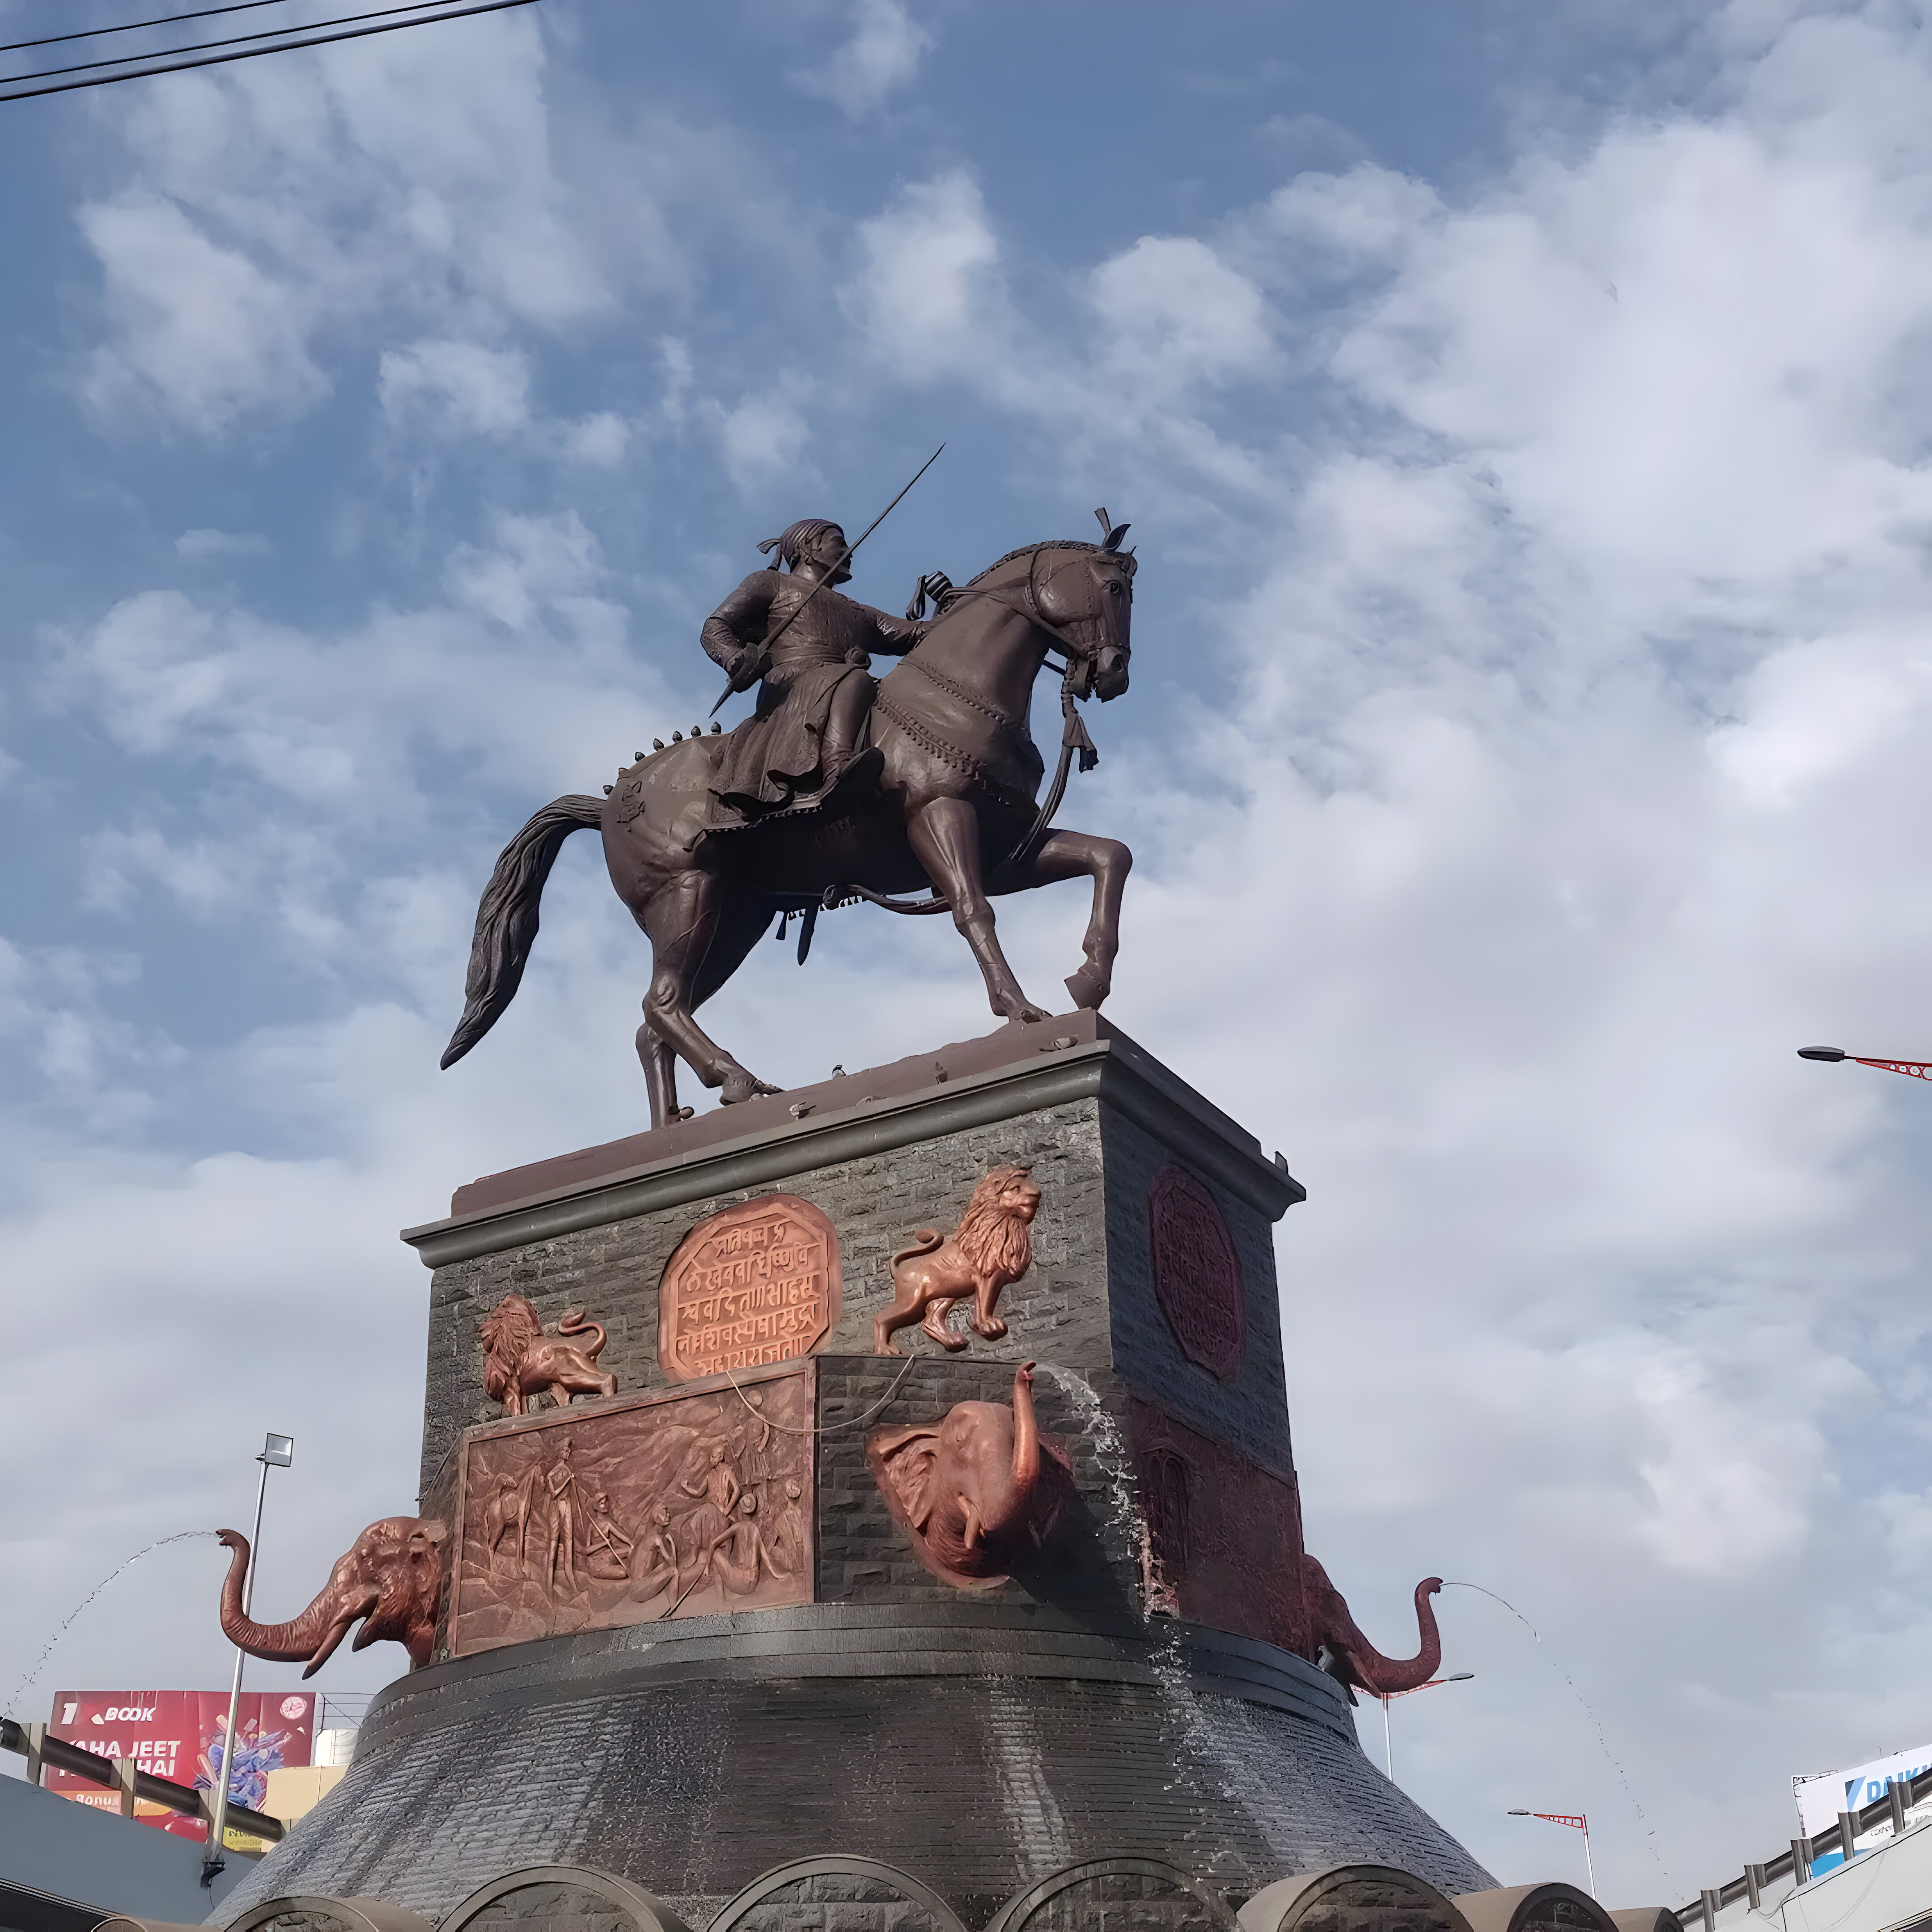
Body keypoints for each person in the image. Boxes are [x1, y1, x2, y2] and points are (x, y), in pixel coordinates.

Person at [703, 519, 947, 823]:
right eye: (838, 543)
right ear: (808, 548)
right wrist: (733, 658)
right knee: (855, 678)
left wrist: (951, 601)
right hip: (792, 684)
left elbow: (914, 635)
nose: (848, 551)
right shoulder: (772, 583)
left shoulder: (857, 610)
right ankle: (838, 766)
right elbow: (716, 627)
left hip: (841, 682)